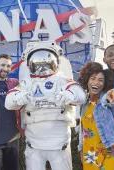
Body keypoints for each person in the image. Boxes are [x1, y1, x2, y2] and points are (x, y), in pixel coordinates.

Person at [5, 41, 86, 170]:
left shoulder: (62, 80)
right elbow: (8, 102)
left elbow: (81, 96)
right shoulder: (27, 83)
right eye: (38, 63)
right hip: (34, 144)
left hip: (59, 144)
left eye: (46, 62)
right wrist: (18, 98)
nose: (42, 68)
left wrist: (70, 96)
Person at [77, 61, 114, 170]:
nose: (96, 83)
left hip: (110, 149)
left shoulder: (105, 98)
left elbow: (111, 99)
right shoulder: (84, 103)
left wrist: (113, 96)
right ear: (87, 80)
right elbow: (82, 130)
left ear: (104, 84)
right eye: (93, 78)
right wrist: (80, 149)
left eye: (100, 80)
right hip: (90, 153)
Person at [0, 54, 23, 170]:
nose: (5, 68)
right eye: (2, 65)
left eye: (8, 66)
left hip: (12, 139)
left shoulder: (14, 83)